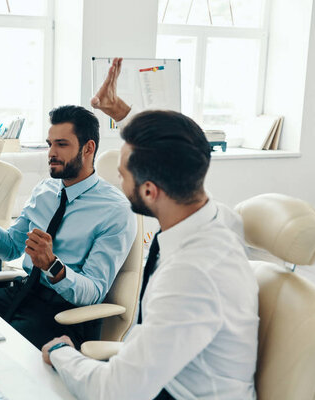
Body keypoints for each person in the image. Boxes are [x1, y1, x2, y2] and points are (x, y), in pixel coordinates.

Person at [41, 61, 259, 399]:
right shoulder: (218, 219)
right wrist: (124, 114)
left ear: (149, 191)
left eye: (123, 175)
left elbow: (116, 391)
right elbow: (184, 149)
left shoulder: (190, 276)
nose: (118, 181)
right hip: (159, 377)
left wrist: (61, 353)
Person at [0, 105, 137, 349]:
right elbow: (10, 248)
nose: (51, 152)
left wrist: (53, 266)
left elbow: (93, 291)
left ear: (88, 148)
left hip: (62, 313)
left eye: (61, 144)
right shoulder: (45, 190)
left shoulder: (115, 210)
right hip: (22, 294)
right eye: (50, 143)